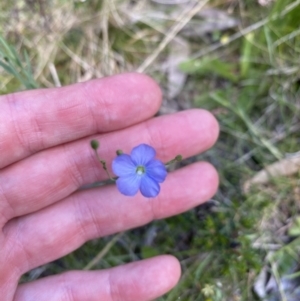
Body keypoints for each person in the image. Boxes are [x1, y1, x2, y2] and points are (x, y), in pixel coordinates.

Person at [0, 73, 219, 301]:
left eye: (142, 170)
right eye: (140, 169)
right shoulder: (129, 167)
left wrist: (141, 171)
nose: (141, 171)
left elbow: (150, 176)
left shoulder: (147, 174)